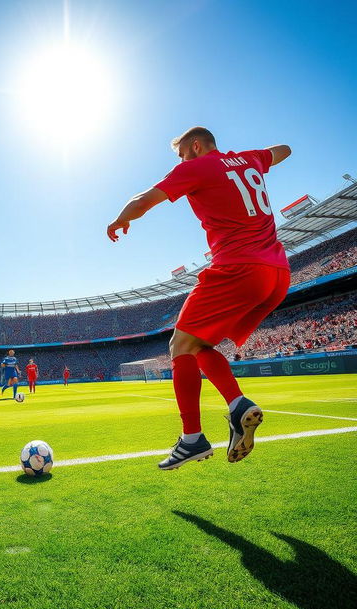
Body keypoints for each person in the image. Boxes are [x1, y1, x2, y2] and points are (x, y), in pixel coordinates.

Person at [107, 126, 291, 470]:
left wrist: (119, 219)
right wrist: (246, 158)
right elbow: (284, 149)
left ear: (195, 147)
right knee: (197, 347)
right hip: (278, 273)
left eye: (181, 155)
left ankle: (192, 439)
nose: (180, 161)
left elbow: (143, 201)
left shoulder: (196, 167)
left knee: (179, 346)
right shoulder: (250, 159)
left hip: (238, 268)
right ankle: (237, 405)